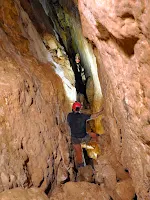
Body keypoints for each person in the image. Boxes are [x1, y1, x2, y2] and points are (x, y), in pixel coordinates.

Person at [67, 101, 103, 168]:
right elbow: (93, 116)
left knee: (79, 153)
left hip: (74, 138)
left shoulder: (69, 116)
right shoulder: (83, 116)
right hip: (84, 136)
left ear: (73, 108)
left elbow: (69, 123)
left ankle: (81, 167)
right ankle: (102, 146)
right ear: (79, 108)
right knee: (94, 135)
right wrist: (101, 112)